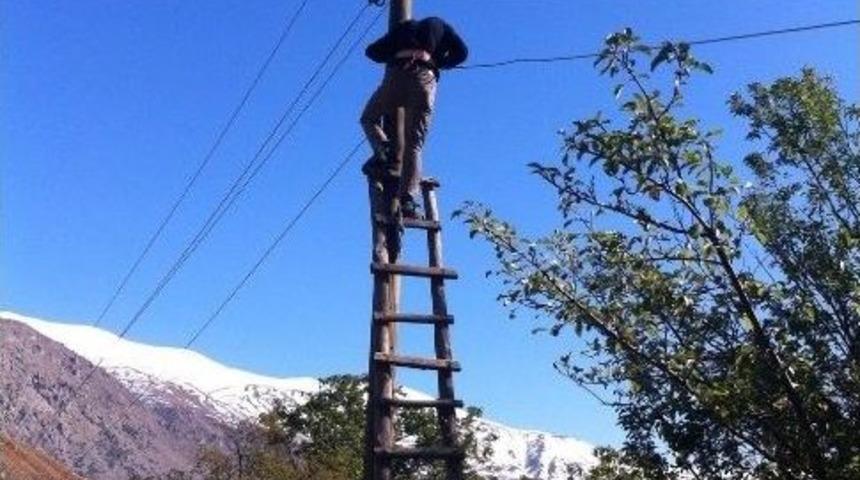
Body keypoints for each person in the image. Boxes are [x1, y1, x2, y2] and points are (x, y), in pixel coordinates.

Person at [360, 16, 468, 218]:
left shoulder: (403, 28)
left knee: (369, 118)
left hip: (397, 75)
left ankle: (384, 150)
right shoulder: (441, 25)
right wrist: (439, 62)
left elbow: (372, 52)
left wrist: (395, 55)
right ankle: (408, 201)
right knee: (414, 144)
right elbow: (462, 53)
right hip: (424, 79)